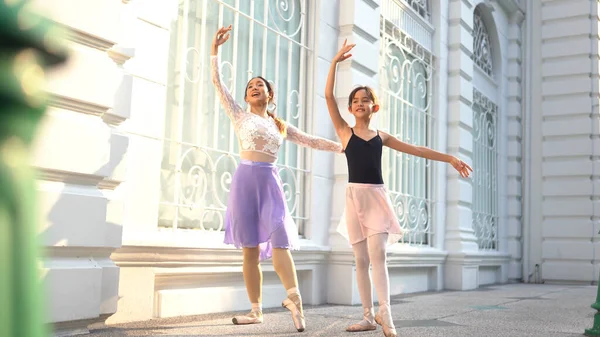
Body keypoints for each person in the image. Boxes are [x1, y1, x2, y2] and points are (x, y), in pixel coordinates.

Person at [325, 40, 473, 337]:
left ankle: (386, 312)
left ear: (374, 106)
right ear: (350, 108)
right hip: (354, 198)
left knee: (378, 255)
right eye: (354, 100)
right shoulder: (345, 131)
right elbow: (328, 95)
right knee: (360, 260)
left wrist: (450, 159)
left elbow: (417, 149)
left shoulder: (382, 136)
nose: (359, 103)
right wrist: (335, 62)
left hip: (376, 197)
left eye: (365, 99)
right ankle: (368, 316)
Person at [210, 25, 343, 333]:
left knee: (280, 239)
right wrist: (215, 50)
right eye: (250, 87)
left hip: (269, 184)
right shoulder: (239, 115)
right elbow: (217, 83)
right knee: (250, 249)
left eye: (261, 85)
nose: (255, 88)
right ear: (245, 96)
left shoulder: (279, 125)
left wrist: (343, 148)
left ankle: (294, 300)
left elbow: (311, 140)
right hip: (245, 183)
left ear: (270, 95)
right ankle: (255, 310)